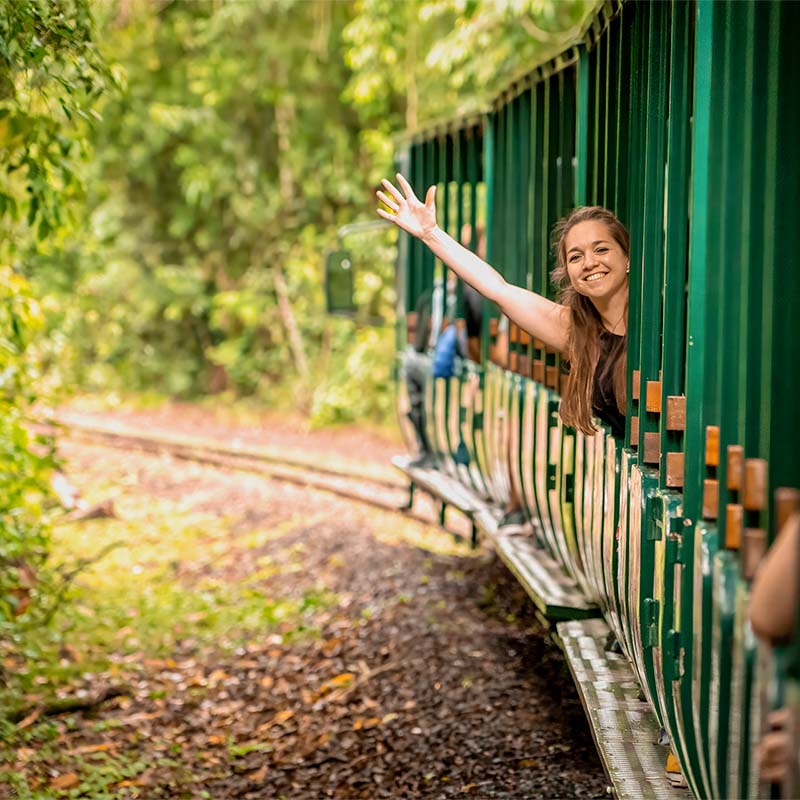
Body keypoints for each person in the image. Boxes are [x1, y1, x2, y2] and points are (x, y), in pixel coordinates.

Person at [377, 173, 630, 442]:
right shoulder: (575, 328)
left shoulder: (657, 328)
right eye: (576, 256)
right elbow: (498, 289)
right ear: (568, 271)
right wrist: (431, 234)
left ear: (627, 258)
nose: (589, 263)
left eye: (601, 250)